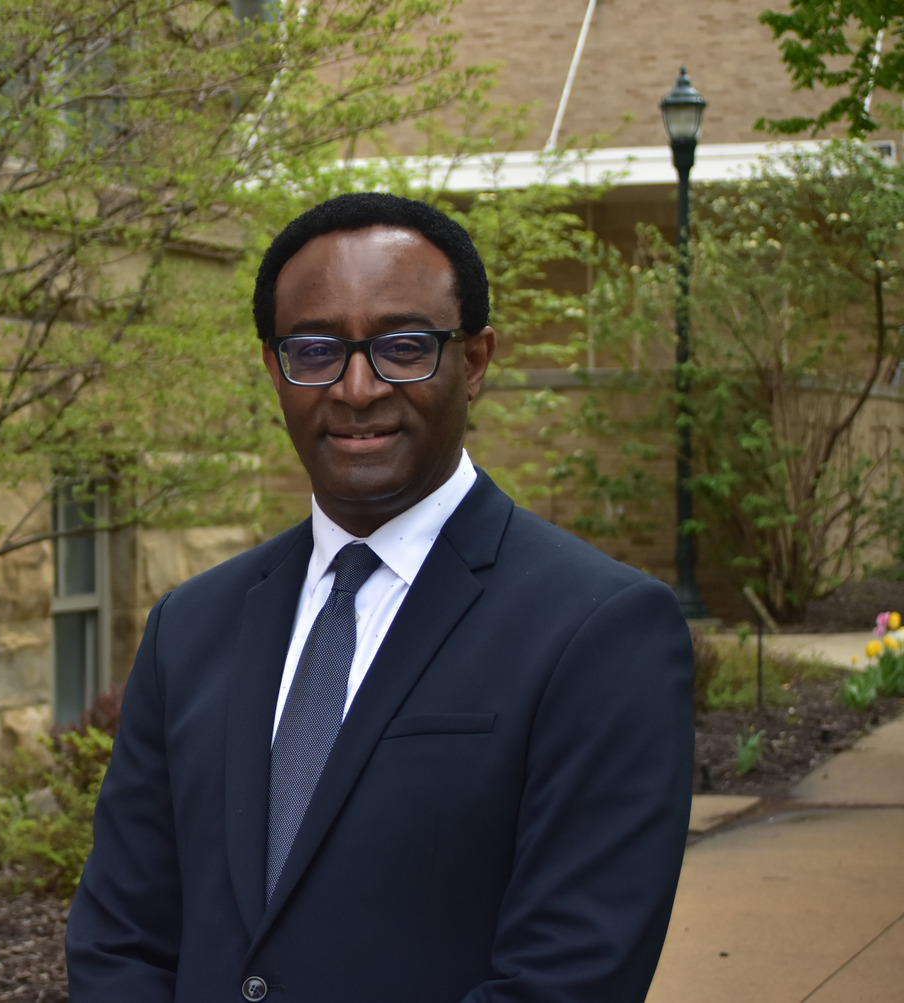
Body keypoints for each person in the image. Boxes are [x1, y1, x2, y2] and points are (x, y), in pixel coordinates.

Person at [65, 192, 694, 1003]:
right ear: (274, 368)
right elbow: (120, 941)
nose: (357, 388)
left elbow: (566, 978)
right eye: (316, 350)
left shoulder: (601, 631)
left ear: (474, 362)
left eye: (403, 347)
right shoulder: (190, 627)